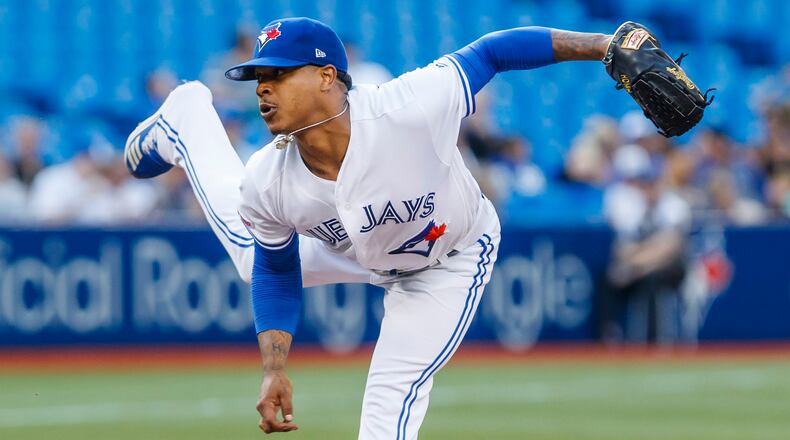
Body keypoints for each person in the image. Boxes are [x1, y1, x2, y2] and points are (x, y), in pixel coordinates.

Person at [124, 17, 622, 439]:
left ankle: (186, 121)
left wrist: (605, 47)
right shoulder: (269, 178)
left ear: (325, 76)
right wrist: (274, 368)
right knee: (253, 258)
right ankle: (189, 119)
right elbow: (276, 272)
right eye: (257, 77)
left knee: (389, 403)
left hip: (446, 257)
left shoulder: (408, 108)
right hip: (354, 246)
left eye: (277, 74)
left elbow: (494, 52)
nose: (262, 87)